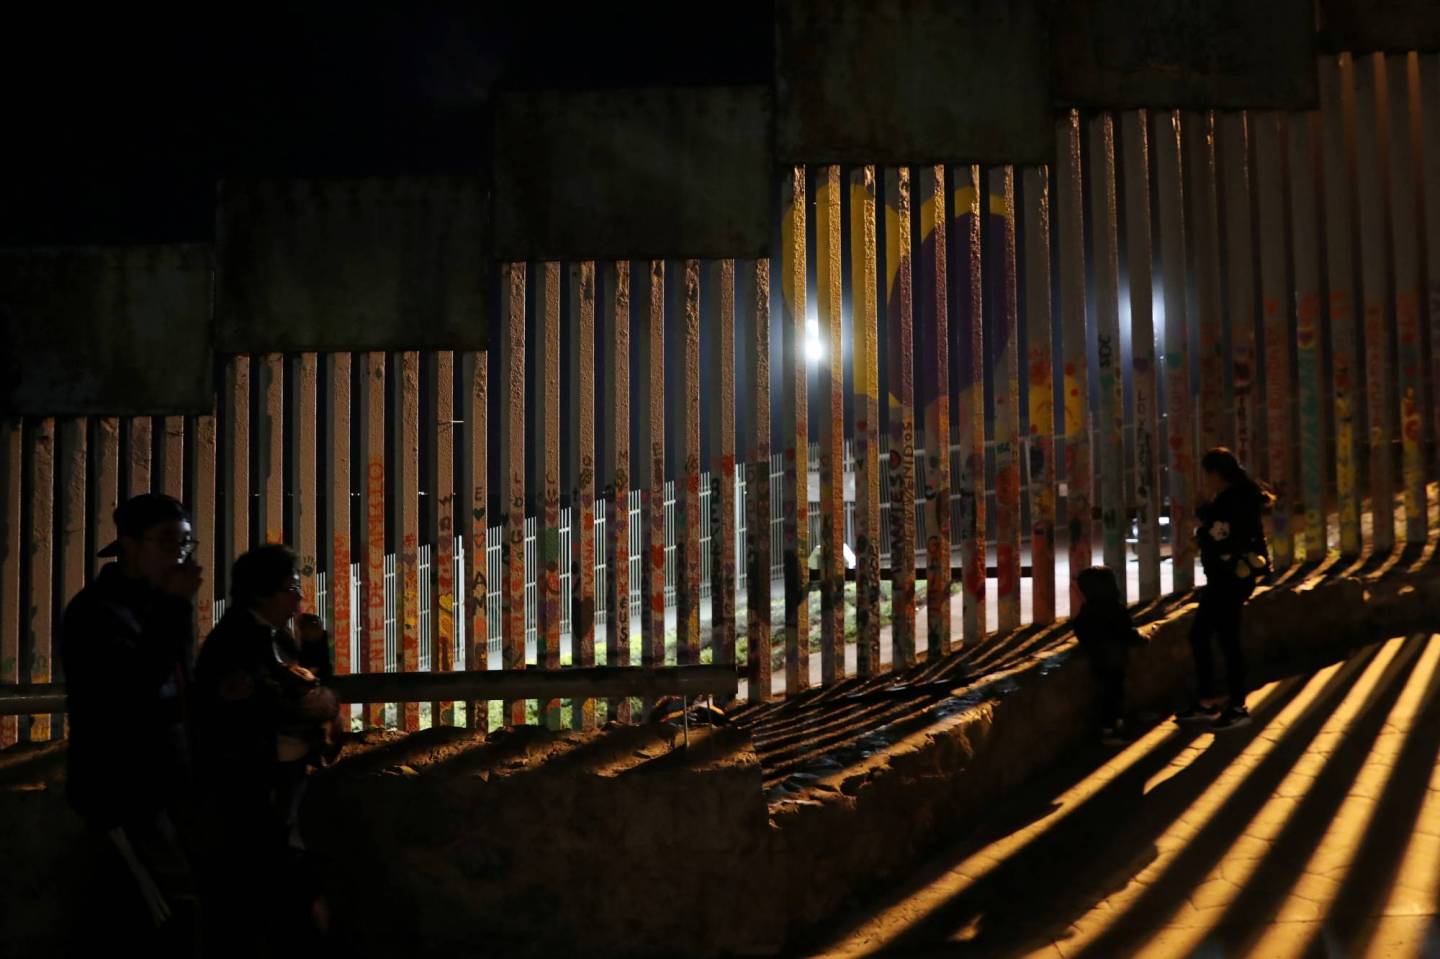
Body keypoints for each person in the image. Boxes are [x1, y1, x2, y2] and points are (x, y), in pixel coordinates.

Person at [59, 493, 205, 956]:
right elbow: (133, 691)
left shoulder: (157, 605)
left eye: (184, 545)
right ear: (128, 544)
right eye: (167, 543)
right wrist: (177, 608)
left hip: (169, 787)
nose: (179, 557)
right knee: (170, 914)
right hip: (125, 793)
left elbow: (179, 684)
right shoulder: (95, 613)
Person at [193, 544, 338, 956]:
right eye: (291, 587)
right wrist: (317, 697)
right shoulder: (238, 641)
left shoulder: (273, 637)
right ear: (262, 592)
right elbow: (290, 703)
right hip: (253, 790)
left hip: (277, 787)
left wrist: (314, 652)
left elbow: (304, 691)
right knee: (281, 893)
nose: (299, 597)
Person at [1176, 447, 1274, 731]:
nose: (1206, 480)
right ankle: (1211, 702)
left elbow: (1222, 533)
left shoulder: (1234, 499)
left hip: (1228, 579)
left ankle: (1235, 706)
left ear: (1217, 473)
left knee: (1219, 639)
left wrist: (1199, 529)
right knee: (1210, 635)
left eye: (1207, 475)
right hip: (1231, 578)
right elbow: (1221, 524)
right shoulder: (1239, 496)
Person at [1073, 566, 1146, 745]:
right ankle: (1110, 729)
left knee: (1108, 693)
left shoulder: (1088, 610)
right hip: (1115, 659)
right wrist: (1141, 639)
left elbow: (1080, 630)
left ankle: (1114, 725)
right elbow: (1126, 632)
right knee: (1114, 693)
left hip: (1098, 660)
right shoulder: (1116, 609)